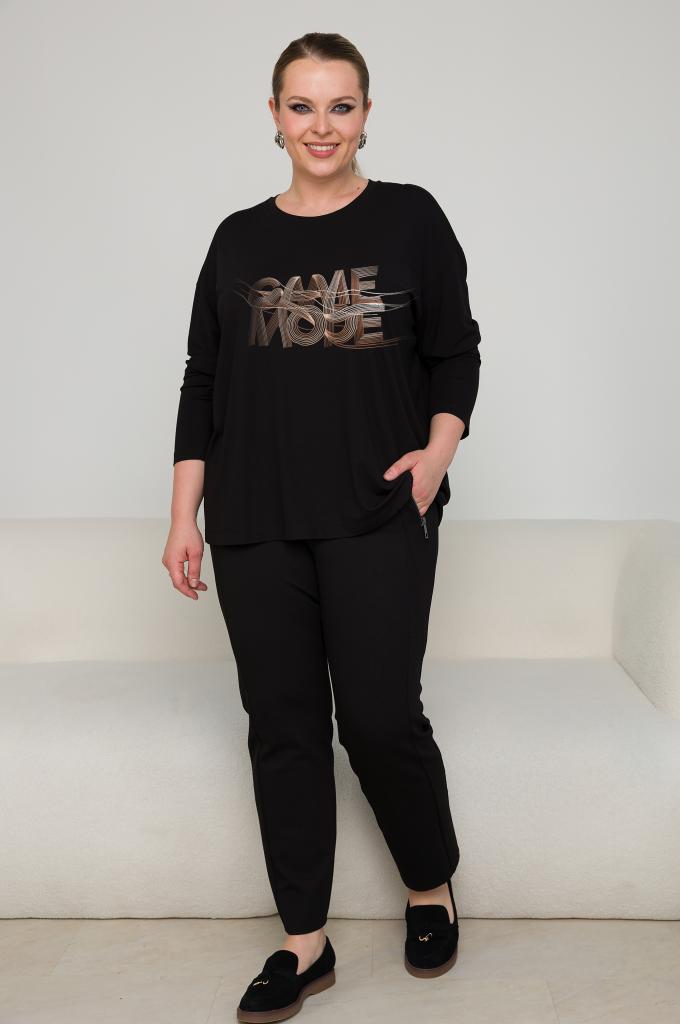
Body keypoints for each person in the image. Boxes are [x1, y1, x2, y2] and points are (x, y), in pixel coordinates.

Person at [162, 31, 481, 1023]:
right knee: (284, 727)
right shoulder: (237, 239)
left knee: (379, 719)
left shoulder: (410, 218)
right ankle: (304, 940)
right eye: (301, 106)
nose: (320, 126)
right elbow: (203, 380)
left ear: (366, 115)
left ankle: (428, 883)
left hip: (377, 510)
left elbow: (454, 351)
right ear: (273, 116)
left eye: (340, 106)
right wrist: (183, 514)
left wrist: (435, 457)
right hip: (253, 520)